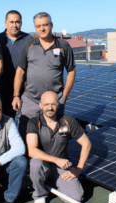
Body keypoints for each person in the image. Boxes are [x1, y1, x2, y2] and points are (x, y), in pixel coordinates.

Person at [12, 12, 76, 141]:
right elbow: (20, 71)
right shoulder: (29, 45)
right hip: (31, 101)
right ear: (35, 27)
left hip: (54, 102)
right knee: (25, 137)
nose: (42, 28)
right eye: (38, 26)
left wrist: (63, 97)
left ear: (51, 25)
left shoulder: (63, 45)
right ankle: (26, 160)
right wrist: (16, 95)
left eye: (45, 25)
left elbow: (71, 71)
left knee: (52, 139)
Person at [26, 91, 91, 203]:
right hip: (43, 165)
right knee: (35, 164)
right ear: (41, 105)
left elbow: (86, 143)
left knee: (77, 198)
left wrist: (79, 168)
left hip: (61, 167)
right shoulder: (34, 123)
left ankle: (52, 181)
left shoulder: (67, 121)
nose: (49, 108)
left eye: (53, 104)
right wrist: (56, 160)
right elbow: (32, 151)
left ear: (58, 105)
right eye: (46, 104)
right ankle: (40, 195)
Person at [0, 10, 32, 119]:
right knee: (5, 123)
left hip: (25, 90)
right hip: (3, 90)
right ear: (5, 23)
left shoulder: (29, 39)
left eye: (17, 22)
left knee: (26, 122)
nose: (14, 25)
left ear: (21, 23)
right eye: (11, 22)